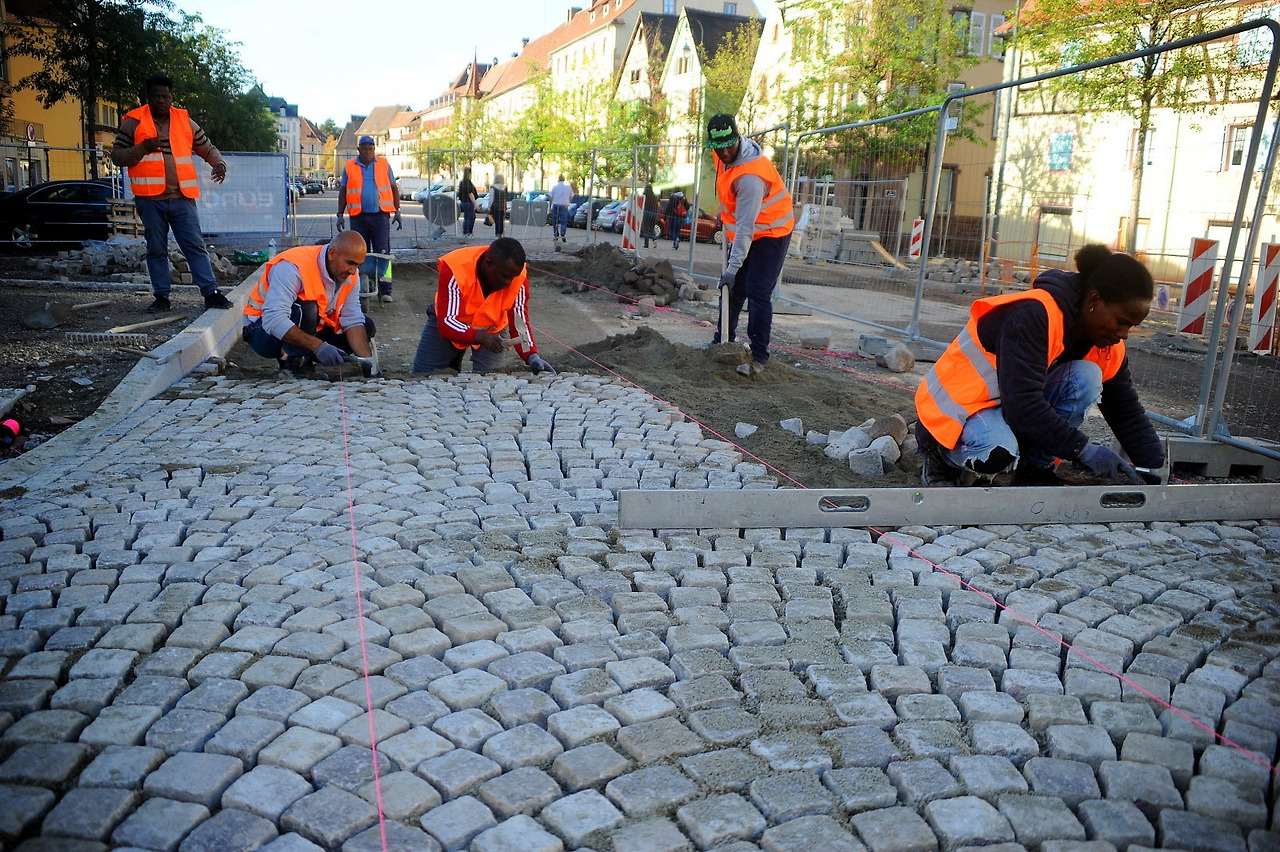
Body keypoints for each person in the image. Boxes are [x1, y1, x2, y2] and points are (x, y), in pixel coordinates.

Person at [915, 243, 1165, 488]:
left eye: (1132, 325)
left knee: (1087, 377)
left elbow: (1125, 411)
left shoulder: (1107, 346)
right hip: (959, 411)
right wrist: (1083, 450)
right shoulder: (1033, 316)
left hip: (1008, 405)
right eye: (1122, 321)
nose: (1125, 334)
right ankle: (940, 456)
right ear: (1094, 300)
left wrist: (1157, 468)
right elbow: (1024, 406)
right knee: (996, 453)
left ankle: (1034, 471)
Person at [110, 74, 234, 313]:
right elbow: (117, 156)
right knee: (156, 249)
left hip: (182, 198)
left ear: (171, 97)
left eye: (165, 96)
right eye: (155, 96)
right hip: (149, 200)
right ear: (148, 97)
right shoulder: (134, 122)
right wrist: (142, 148)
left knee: (195, 247)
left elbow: (206, 147)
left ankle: (211, 293)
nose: (160, 101)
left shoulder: (184, 121)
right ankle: (161, 297)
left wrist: (218, 163)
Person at [706, 114, 795, 376]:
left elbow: (746, 227)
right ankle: (722, 343)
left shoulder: (751, 179)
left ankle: (758, 357)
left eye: (729, 147)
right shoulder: (721, 155)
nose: (723, 152)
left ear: (739, 140)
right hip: (747, 230)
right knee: (733, 292)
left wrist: (732, 270)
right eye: (718, 147)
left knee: (756, 292)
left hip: (772, 231)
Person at [242, 230, 377, 379]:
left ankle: (307, 357)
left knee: (366, 325)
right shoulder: (292, 267)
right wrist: (318, 346)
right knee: (307, 308)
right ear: (332, 253)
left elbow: (352, 318)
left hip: (310, 326)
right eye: (350, 263)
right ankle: (290, 365)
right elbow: (273, 319)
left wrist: (368, 363)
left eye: (358, 265)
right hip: (261, 331)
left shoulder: (350, 274)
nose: (353, 271)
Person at [412, 237, 555, 376]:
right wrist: (482, 337)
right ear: (488, 263)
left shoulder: (518, 276)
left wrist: (531, 356)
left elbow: (520, 323)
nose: (508, 282)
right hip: (452, 325)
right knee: (423, 376)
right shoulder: (456, 268)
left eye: (513, 277)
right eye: (504, 276)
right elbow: (447, 322)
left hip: (493, 330)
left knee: (492, 379)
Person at [337, 135, 401, 303]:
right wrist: (339, 215)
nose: (368, 152)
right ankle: (358, 286)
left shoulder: (384, 164)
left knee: (383, 252)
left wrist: (397, 211)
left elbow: (393, 188)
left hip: (380, 216)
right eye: (364, 149)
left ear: (374, 150)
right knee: (358, 252)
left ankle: (386, 289)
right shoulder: (349, 166)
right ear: (358, 150)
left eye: (371, 149)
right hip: (358, 217)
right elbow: (343, 192)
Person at [549, 175, 573, 243]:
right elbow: (572, 196)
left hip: (556, 205)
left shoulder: (555, 187)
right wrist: (568, 202)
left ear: (558, 179)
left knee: (555, 221)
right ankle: (563, 231)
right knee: (564, 221)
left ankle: (556, 234)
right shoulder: (568, 187)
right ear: (564, 179)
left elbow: (551, 198)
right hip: (564, 205)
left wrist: (550, 207)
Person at [458, 167, 478, 238]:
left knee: (470, 217)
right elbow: (470, 194)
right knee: (469, 218)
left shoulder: (462, 182)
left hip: (463, 202)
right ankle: (467, 233)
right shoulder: (468, 182)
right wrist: (475, 204)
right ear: (469, 173)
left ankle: (468, 232)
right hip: (468, 202)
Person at [641, 184, 660, 249]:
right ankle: (654, 239)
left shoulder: (644, 196)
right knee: (652, 228)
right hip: (654, 214)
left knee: (646, 229)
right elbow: (657, 206)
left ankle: (646, 244)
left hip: (646, 213)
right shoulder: (654, 197)